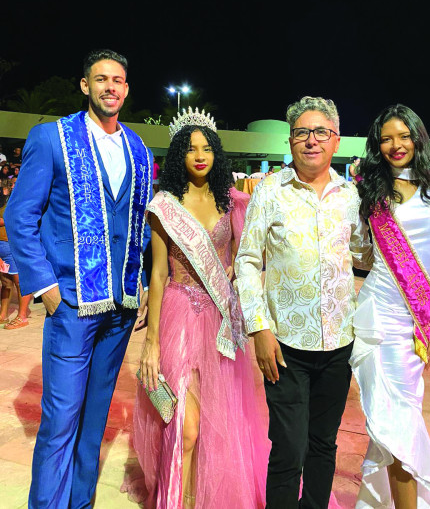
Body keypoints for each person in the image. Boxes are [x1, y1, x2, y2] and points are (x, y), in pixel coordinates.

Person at [5, 48, 152, 508]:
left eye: (119, 80)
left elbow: (140, 225)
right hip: (70, 304)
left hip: (120, 310)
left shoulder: (139, 150)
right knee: (60, 422)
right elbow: (19, 216)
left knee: (94, 423)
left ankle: (81, 502)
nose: (111, 87)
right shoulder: (52, 138)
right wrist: (45, 287)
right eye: (102, 79)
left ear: (126, 89)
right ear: (85, 85)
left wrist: (142, 280)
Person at [234, 96, 375, 509]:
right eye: (301, 132)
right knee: (290, 449)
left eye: (320, 132)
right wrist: (259, 327)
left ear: (335, 140)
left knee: (322, 445)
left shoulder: (350, 196)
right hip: (285, 347)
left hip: (338, 344)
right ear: (291, 140)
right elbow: (246, 261)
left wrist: (425, 254)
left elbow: (366, 255)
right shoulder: (270, 192)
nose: (311, 140)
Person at [135, 107, 269, 508]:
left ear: (217, 154)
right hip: (178, 314)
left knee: (218, 424)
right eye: (191, 148)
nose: (199, 155)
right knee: (184, 427)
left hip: (220, 321)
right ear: (179, 153)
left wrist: (232, 267)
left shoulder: (234, 202)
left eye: (207, 148)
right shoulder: (165, 205)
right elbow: (157, 275)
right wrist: (152, 342)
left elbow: (253, 254)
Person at [350, 104, 430, 509]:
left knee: (396, 424)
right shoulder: (371, 192)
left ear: (417, 137)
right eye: (386, 139)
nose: (396, 145)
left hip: (420, 322)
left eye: (403, 136)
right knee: (397, 427)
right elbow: (362, 255)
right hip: (380, 320)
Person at [0, 177, 32, 328]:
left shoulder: (20, 200)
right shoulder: (5, 201)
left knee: (20, 282)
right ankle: (3, 314)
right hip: (2, 247)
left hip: (12, 245)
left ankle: (22, 315)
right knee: (6, 283)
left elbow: (12, 219)